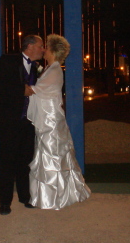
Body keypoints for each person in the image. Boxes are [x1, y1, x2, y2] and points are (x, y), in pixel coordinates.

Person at [26, 34, 91, 210]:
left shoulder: (54, 70)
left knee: (51, 156)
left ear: (53, 50)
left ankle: (55, 197)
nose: (44, 49)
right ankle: (49, 195)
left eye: (46, 47)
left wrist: (13, 84)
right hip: (47, 120)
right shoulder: (51, 69)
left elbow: (34, 90)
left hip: (50, 122)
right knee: (49, 155)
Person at [0, 35, 45, 215]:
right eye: (41, 46)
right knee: (7, 162)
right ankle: (4, 202)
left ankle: (25, 197)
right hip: (9, 121)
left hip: (27, 122)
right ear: (30, 46)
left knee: (25, 161)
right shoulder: (8, 60)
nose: (43, 49)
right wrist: (21, 90)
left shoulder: (36, 67)